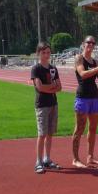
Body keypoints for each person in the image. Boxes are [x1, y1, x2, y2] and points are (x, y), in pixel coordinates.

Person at [72, 36, 98, 168]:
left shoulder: (94, 61)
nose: (91, 44)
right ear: (83, 44)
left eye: (93, 43)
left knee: (93, 128)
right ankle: (75, 159)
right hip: (83, 97)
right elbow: (83, 74)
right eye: (88, 42)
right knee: (79, 129)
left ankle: (90, 157)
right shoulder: (79, 58)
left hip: (94, 97)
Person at [31, 42, 62, 173]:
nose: (46, 55)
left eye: (48, 52)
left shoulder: (53, 68)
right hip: (42, 105)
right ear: (39, 53)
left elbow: (59, 87)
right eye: (43, 52)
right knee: (42, 134)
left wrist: (49, 88)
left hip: (53, 104)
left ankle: (47, 159)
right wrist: (52, 87)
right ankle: (38, 161)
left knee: (50, 134)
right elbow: (39, 87)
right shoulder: (36, 69)